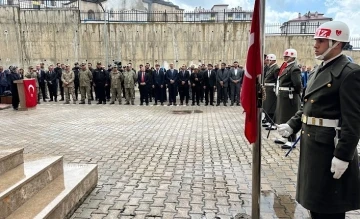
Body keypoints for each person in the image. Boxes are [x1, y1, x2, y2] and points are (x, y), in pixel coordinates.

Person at [277, 20, 360, 219]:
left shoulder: (350, 74)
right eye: (316, 40)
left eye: (321, 41)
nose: (315, 45)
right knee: (316, 205)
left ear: (337, 43)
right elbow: (308, 105)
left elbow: (354, 121)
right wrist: (292, 124)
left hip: (330, 148)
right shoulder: (317, 71)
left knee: (329, 209)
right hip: (312, 146)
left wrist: (343, 156)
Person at [274, 48, 302, 149]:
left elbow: (297, 84)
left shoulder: (294, 68)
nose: (285, 58)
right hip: (284, 95)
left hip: (290, 96)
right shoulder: (286, 67)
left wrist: (297, 94)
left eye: (287, 56)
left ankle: (292, 139)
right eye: (285, 56)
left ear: (293, 57)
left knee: (290, 116)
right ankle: (285, 137)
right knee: (283, 117)